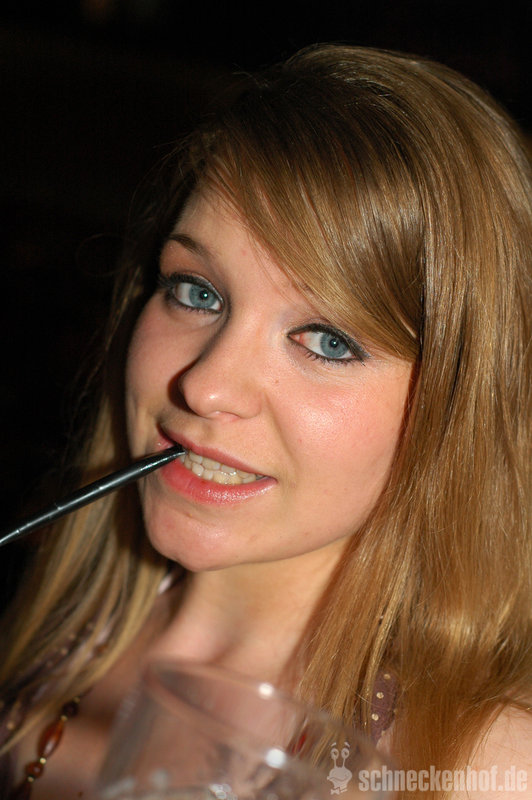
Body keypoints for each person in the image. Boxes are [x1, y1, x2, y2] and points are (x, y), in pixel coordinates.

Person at [1, 44, 531, 799]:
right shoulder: (52, 628)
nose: (206, 386)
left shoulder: (483, 768)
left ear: (462, 409)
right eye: (197, 292)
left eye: (328, 340)